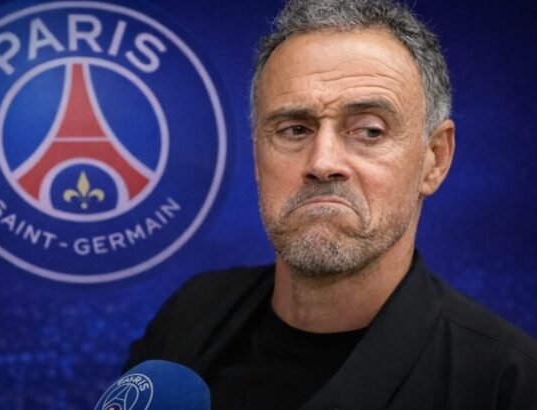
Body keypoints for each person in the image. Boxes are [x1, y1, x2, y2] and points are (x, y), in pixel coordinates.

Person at [124, 0, 537, 408]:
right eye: (294, 129)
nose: (322, 163)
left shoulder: (507, 384)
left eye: (370, 131)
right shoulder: (188, 320)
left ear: (435, 158)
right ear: (257, 156)